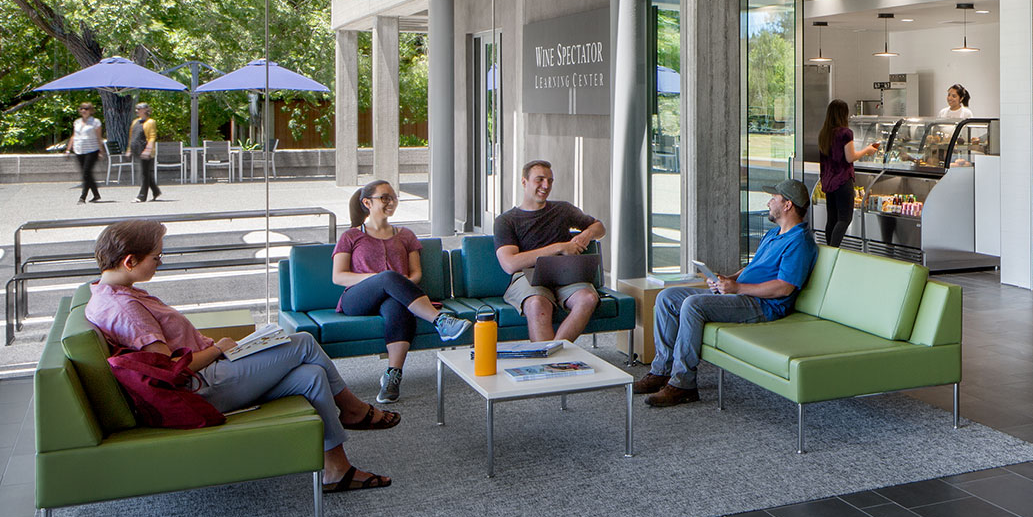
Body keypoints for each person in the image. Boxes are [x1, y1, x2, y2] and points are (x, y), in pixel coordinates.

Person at [84, 219, 397, 493]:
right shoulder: (126, 309)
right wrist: (218, 348)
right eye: (157, 257)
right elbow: (172, 369)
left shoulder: (112, 293)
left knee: (311, 376)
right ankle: (354, 410)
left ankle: (337, 470)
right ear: (129, 261)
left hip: (212, 374)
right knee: (303, 342)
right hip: (202, 386)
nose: (160, 263)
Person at [635, 179, 817, 407]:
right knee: (667, 297)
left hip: (762, 305)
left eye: (774, 198)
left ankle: (683, 384)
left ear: (787, 205)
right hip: (740, 294)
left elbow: (784, 287)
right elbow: (753, 268)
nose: (769, 202)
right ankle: (661, 370)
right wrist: (729, 279)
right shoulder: (773, 234)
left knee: (693, 304)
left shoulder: (800, 242)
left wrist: (738, 288)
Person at [333, 179, 472, 403]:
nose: (391, 202)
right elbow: (338, 276)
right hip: (357, 298)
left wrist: (397, 284)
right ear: (367, 202)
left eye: (393, 198)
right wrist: (380, 279)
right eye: (384, 198)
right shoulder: (351, 236)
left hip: (395, 298)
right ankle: (440, 321)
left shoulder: (406, 235)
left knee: (397, 305)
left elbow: (416, 274)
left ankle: (392, 376)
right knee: (388, 277)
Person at [494, 160, 607, 343]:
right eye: (540, 180)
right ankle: (551, 361)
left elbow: (599, 228)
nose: (546, 186)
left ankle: (552, 356)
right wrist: (559, 247)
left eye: (550, 181)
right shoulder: (506, 220)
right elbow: (510, 264)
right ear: (524, 182)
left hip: (565, 274)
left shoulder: (562, 209)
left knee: (587, 298)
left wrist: (585, 236)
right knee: (537, 304)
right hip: (528, 276)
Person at [816, 99, 878, 249]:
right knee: (844, 218)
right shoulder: (845, 133)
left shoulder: (824, 133)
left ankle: (828, 250)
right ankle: (834, 249)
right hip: (842, 180)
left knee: (832, 218)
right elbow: (850, 157)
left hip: (828, 181)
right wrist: (867, 150)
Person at [70, 102, 105, 204]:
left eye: (86, 108)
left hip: (92, 150)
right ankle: (96, 194)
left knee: (86, 173)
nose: (84, 110)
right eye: (82, 108)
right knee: (87, 174)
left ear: (90, 110)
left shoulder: (95, 122)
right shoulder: (77, 122)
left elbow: (99, 137)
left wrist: (101, 150)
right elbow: (74, 135)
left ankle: (82, 197)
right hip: (79, 150)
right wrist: (68, 149)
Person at [129, 103, 162, 203]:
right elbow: (132, 136)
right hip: (137, 150)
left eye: (139, 108)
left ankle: (141, 196)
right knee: (146, 172)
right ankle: (156, 191)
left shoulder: (150, 122)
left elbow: (152, 137)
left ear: (145, 110)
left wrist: (148, 149)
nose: (137, 110)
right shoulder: (135, 122)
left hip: (146, 150)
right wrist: (129, 149)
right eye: (136, 108)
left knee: (144, 173)